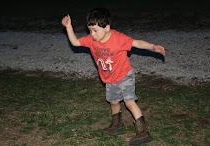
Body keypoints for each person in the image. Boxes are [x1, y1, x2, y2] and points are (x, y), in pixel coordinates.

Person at [62, 8, 165, 145]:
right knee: (113, 102)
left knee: (129, 102)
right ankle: (117, 123)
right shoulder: (92, 40)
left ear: (107, 28)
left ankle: (142, 131)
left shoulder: (118, 38)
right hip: (109, 78)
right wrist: (69, 27)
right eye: (90, 30)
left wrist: (153, 46)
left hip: (124, 74)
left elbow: (136, 43)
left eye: (95, 30)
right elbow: (75, 42)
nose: (92, 34)